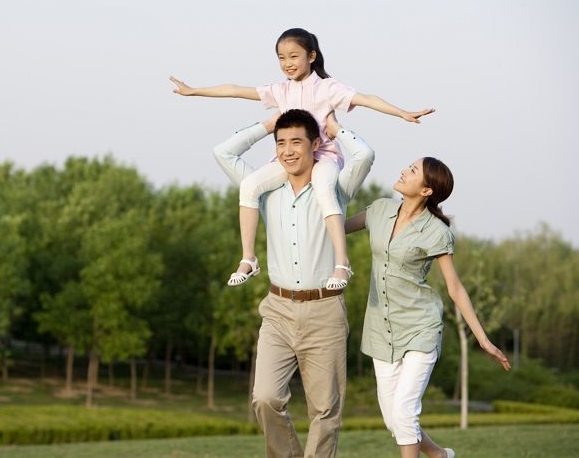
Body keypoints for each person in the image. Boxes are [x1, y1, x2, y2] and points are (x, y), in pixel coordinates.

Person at [171, 27, 433, 290]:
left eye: (293, 56)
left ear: (311, 56)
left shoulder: (328, 88)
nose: (287, 64)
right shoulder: (280, 90)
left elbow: (365, 99)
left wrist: (402, 113)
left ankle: (342, 263)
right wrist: (194, 91)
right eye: (281, 58)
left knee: (324, 189)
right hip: (288, 161)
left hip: (324, 159)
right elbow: (236, 90)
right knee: (249, 186)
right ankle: (249, 258)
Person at [214, 108, 374, 458]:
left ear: (315, 144)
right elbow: (223, 152)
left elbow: (365, 155)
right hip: (278, 310)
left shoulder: (335, 187)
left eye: (296, 142)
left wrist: (336, 128)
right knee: (265, 398)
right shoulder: (265, 188)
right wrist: (266, 125)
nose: (288, 150)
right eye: (281, 142)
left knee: (325, 411)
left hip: (325, 311)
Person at [344, 157, 512, 458]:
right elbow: (334, 227)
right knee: (393, 419)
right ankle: (439, 455)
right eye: (407, 167)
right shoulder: (379, 210)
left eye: (412, 171)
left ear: (426, 191)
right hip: (380, 329)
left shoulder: (437, 231)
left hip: (420, 326)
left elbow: (455, 287)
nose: (403, 171)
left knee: (405, 411)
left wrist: (483, 339)